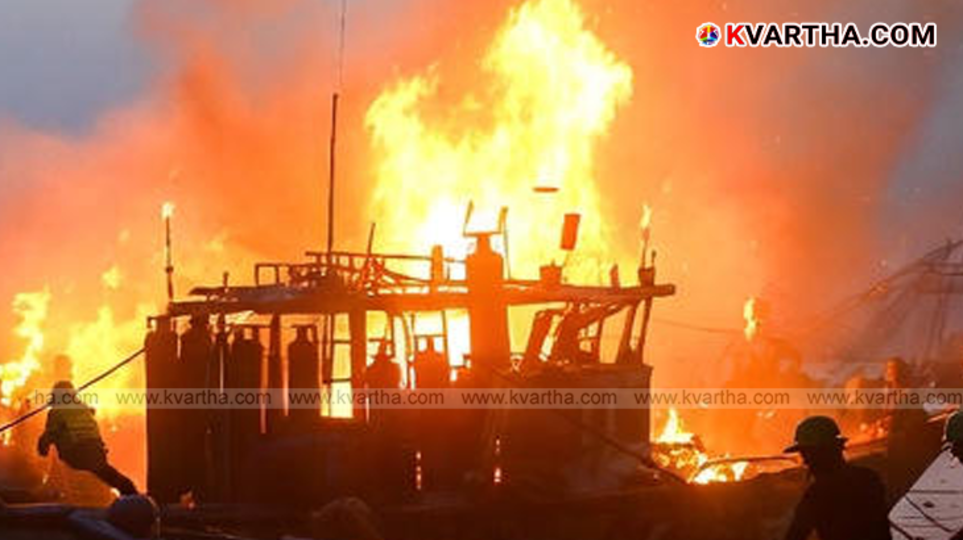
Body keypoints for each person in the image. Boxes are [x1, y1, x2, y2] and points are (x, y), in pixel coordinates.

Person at [783, 415, 892, 540]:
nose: (805, 462)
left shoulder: (818, 494)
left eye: (806, 454)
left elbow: (795, 535)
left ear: (820, 452)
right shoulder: (869, 478)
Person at [37, 381, 137, 495]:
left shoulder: (56, 412)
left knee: (59, 435)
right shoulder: (83, 408)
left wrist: (42, 447)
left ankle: (67, 489)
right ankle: (129, 490)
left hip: (76, 453)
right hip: (97, 450)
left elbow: (50, 433)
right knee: (104, 472)